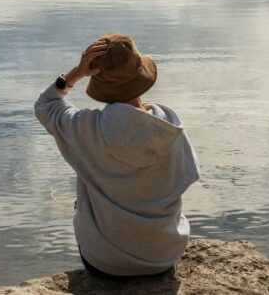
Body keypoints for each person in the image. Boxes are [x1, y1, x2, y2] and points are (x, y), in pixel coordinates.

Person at [34, 33, 200, 279]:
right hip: (163, 257)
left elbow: (46, 105)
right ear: (141, 72)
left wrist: (75, 74)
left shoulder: (85, 128)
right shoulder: (169, 126)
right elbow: (188, 175)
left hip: (106, 263)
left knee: (84, 196)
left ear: (97, 77)